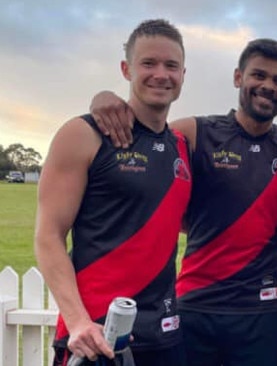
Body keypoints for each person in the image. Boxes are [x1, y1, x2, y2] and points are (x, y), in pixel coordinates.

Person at [89, 38, 277, 366]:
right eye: (259, 75)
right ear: (238, 77)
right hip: (196, 306)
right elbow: (145, 133)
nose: (267, 86)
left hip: (263, 313)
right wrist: (105, 99)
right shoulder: (196, 132)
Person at [34, 19, 191, 366]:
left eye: (171, 65)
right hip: (93, 337)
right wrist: (76, 321)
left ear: (183, 74)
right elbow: (48, 236)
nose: (161, 74)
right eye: (148, 63)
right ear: (126, 69)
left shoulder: (182, 146)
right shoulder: (82, 134)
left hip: (164, 335)